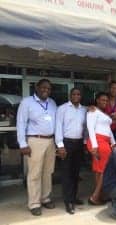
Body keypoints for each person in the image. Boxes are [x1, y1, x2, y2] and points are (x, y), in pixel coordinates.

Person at [17, 79, 57, 216]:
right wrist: (23, 143)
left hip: (50, 141)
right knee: (34, 173)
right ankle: (34, 203)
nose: (46, 90)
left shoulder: (52, 103)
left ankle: (45, 198)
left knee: (48, 172)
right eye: (43, 87)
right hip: (35, 140)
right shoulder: (27, 102)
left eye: (48, 88)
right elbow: (21, 123)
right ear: (37, 87)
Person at [55, 88, 86, 214]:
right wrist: (60, 146)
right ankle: (68, 201)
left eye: (78, 94)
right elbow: (58, 127)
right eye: (74, 94)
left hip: (79, 144)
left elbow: (85, 128)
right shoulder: (62, 109)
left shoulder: (84, 110)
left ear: (81, 96)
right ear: (70, 95)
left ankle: (73, 197)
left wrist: (84, 144)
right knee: (66, 173)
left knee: (75, 173)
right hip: (66, 143)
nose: (76, 96)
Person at [86, 92, 116, 205]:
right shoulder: (93, 111)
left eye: (106, 100)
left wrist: (113, 143)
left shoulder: (102, 113)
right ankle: (95, 196)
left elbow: (108, 129)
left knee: (99, 170)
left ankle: (101, 195)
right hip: (98, 142)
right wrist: (94, 146)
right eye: (102, 100)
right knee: (105, 170)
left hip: (104, 142)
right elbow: (90, 128)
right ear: (97, 100)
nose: (104, 102)